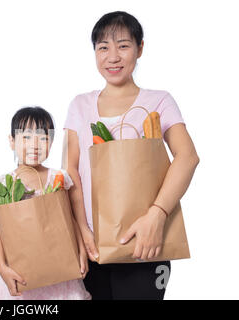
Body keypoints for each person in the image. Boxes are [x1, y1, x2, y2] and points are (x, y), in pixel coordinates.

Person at [62, 11, 200, 299]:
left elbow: (187, 157)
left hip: (144, 243)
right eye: (103, 47)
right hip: (91, 247)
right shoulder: (79, 105)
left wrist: (157, 215)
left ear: (140, 48)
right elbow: (70, 173)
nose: (113, 56)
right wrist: (81, 231)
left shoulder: (159, 100)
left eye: (123, 45)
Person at [0, 106, 91, 300]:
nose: (35, 145)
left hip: (60, 273)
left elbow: (70, 220)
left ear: (51, 142)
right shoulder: (7, 183)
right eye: (26, 137)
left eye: (43, 138)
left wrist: (81, 252)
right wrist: (2, 267)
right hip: (23, 274)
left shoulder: (59, 178)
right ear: (12, 141)